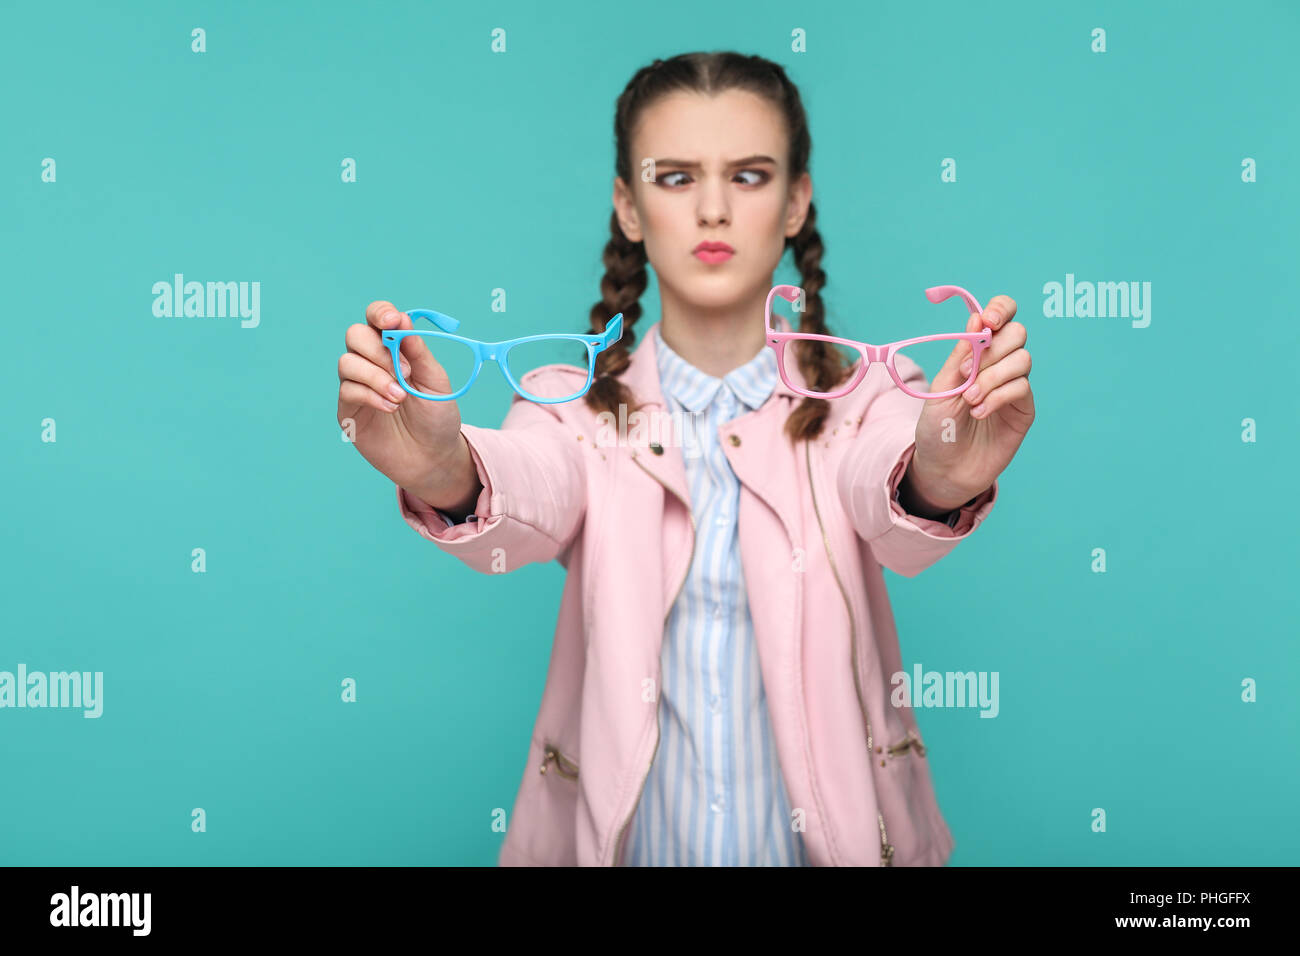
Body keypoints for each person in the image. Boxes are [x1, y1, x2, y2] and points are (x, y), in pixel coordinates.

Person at [337, 51, 1035, 866]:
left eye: (748, 176)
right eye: (674, 178)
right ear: (628, 207)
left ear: (795, 202)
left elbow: (889, 483)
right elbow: (527, 487)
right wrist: (441, 467)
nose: (712, 209)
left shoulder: (870, 400)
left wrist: (942, 469)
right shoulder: (573, 408)